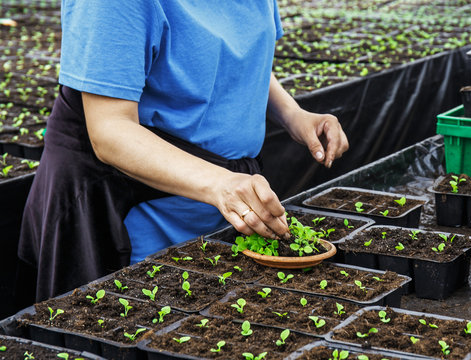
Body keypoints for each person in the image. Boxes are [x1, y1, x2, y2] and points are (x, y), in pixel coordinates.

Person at [18, 0, 349, 301]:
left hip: (219, 209)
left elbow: (236, 52)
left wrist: (293, 115)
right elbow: (110, 130)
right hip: (141, 215)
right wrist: (221, 183)